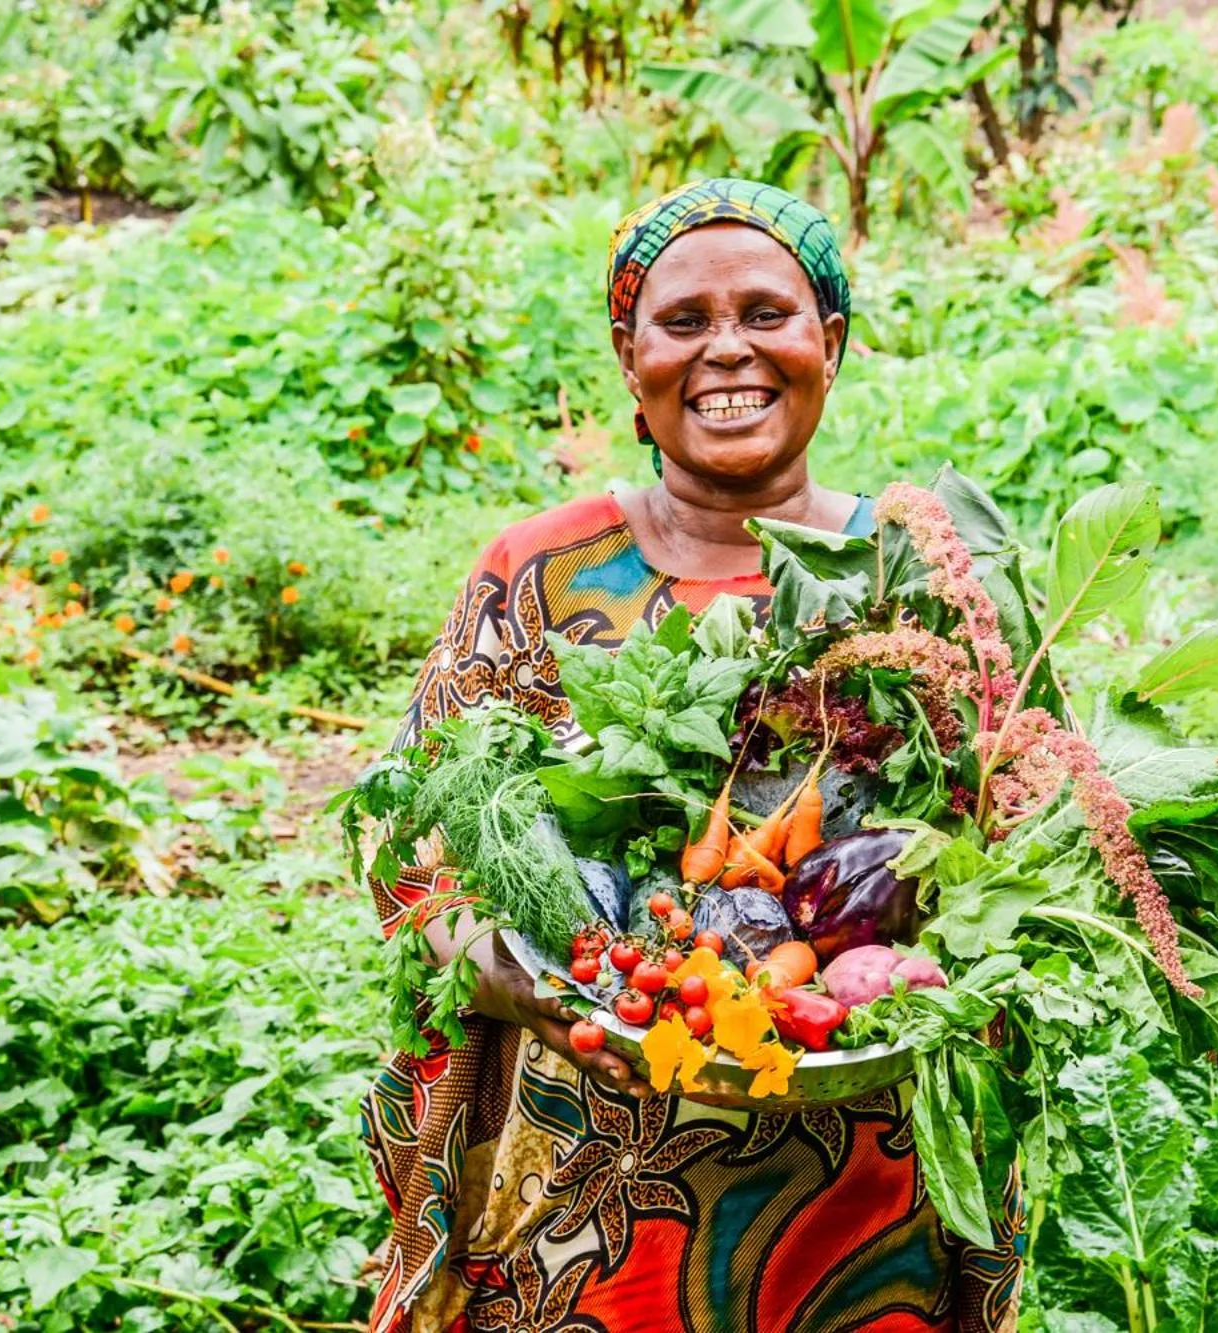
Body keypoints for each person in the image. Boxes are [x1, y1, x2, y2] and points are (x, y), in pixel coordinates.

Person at [361, 179, 1023, 1333]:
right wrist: (513, 973)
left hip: (866, 1189)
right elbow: (410, 838)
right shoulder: (541, 572)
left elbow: (1014, 834)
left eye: (766, 313)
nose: (727, 349)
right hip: (591, 1193)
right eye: (682, 321)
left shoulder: (918, 576)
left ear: (829, 342)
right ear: (632, 360)